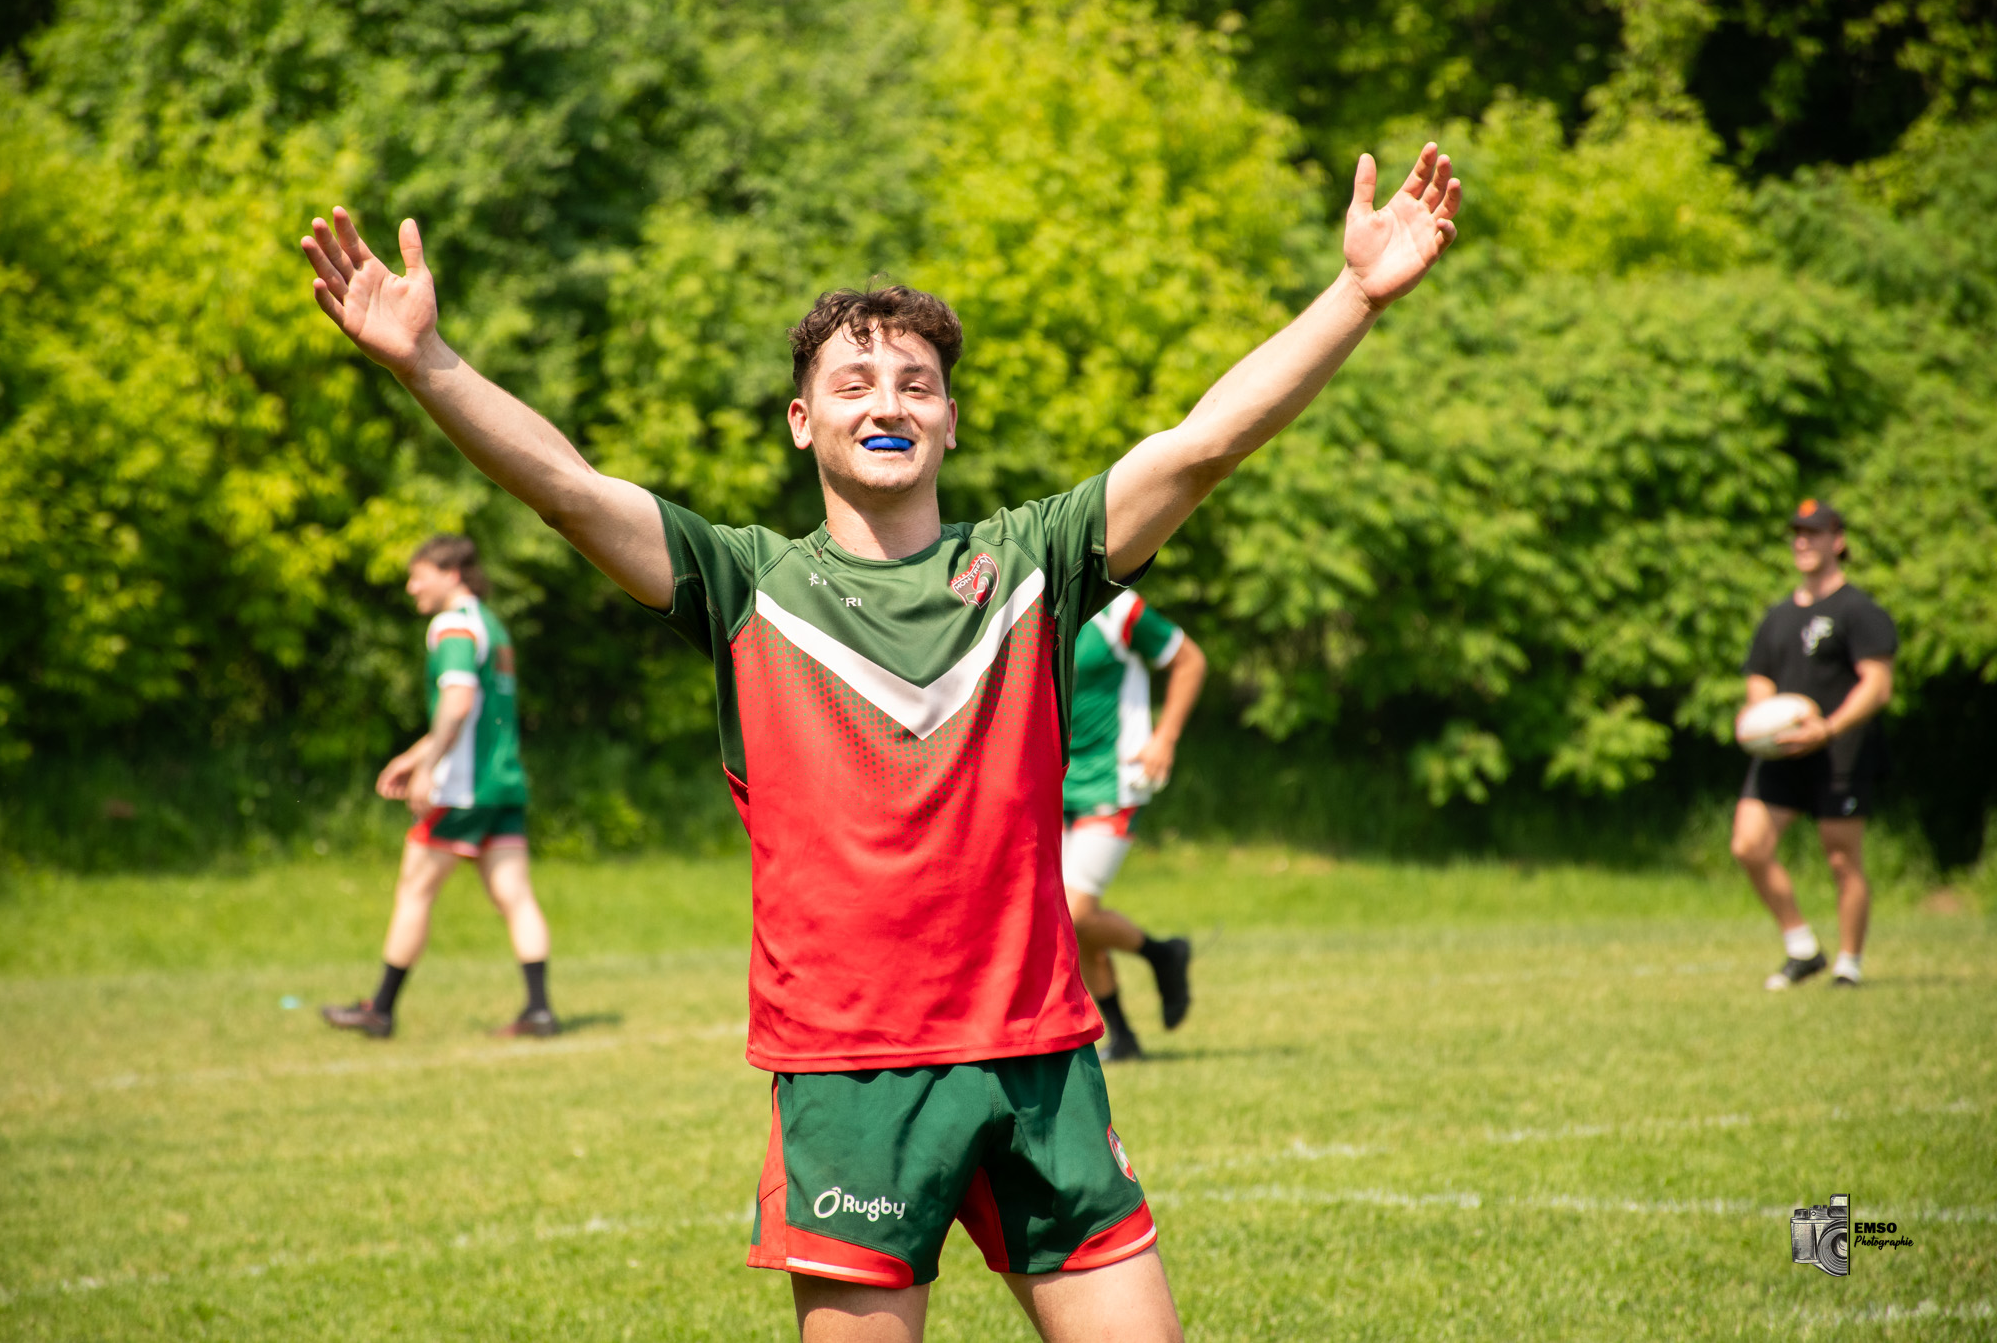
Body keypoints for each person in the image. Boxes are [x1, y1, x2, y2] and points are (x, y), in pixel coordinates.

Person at [298, 140, 1459, 1341]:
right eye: (853, 384)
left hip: (1038, 1060)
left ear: (949, 420)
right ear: (803, 423)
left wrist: (1355, 297)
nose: (886, 402)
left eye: (913, 382)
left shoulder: (1032, 564)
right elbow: (570, 489)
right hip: (853, 1072)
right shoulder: (746, 584)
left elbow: (1203, 441)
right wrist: (429, 365)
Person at [321, 535, 561, 1039]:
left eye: (418, 575)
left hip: (463, 787)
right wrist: (413, 757)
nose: (412, 587)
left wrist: (429, 767)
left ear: (450, 574)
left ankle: (380, 1009)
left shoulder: (451, 625)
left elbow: (456, 703)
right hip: (503, 781)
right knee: (515, 895)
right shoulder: (491, 626)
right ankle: (539, 1009)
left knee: (414, 888)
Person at [1730, 500, 1897, 991]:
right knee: (1748, 845)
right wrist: (1763, 723)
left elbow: (1877, 685)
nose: (1803, 541)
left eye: (1815, 532)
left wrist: (1827, 728)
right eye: (1798, 534)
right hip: (1783, 751)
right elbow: (1760, 680)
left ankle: (1849, 963)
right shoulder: (1777, 617)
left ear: (1838, 541)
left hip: (1839, 749)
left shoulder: (1859, 612)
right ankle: (1802, 947)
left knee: (1842, 859)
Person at [1063, 590, 1206, 1060]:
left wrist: (1165, 736)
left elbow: (1190, 661)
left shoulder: (1118, 610)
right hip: (1052, 783)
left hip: (1115, 778)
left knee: (1075, 912)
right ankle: (1122, 1037)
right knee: (1069, 920)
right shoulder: (1031, 604)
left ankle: (1162, 955)